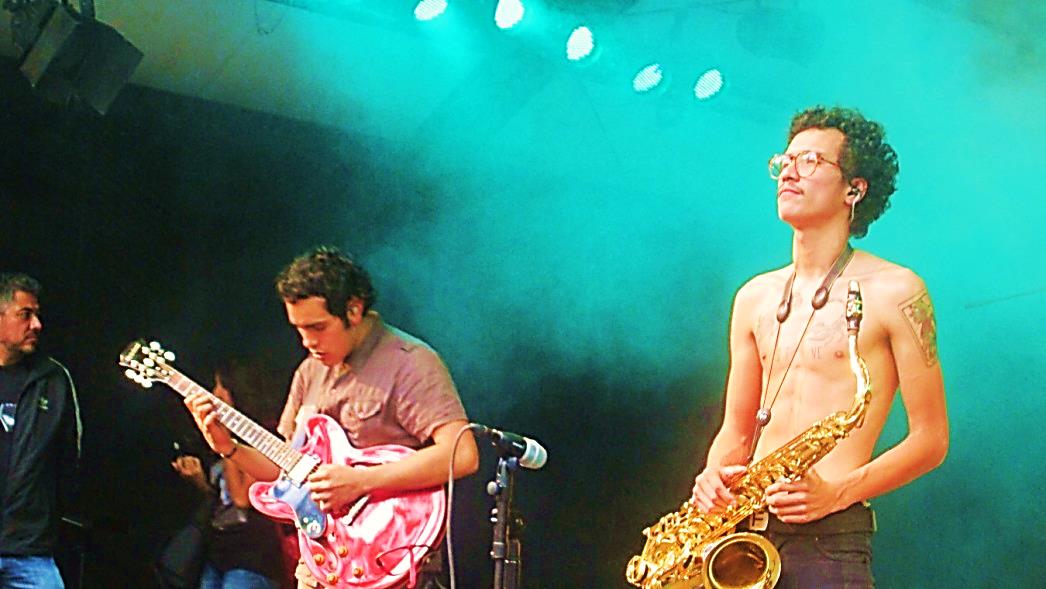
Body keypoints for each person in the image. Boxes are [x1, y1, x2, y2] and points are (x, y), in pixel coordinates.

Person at [689, 106, 949, 587]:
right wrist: (711, 477)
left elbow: (931, 440)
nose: (789, 172)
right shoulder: (752, 296)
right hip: (742, 533)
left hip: (829, 538)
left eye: (810, 161)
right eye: (785, 161)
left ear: (855, 189)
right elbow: (737, 432)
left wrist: (836, 493)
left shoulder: (898, 290)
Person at [184, 247, 479, 589]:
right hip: (320, 560)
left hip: (389, 554)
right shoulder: (309, 372)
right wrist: (229, 448)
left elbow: (462, 454)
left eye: (318, 327)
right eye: (299, 329)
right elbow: (287, 470)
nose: (308, 341)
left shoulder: (410, 363)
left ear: (353, 310)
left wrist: (361, 481)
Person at [171, 365, 286, 589]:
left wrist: (228, 445)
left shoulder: (263, 437)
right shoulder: (224, 441)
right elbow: (225, 504)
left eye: (219, 387)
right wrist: (199, 481)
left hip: (252, 556)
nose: (214, 393)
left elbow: (242, 499)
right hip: (220, 552)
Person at [0, 273, 81, 589]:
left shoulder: (53, 379)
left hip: (28, 546)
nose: (36, 325)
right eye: (24, 315)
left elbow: (69, 459)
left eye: (36, 314)